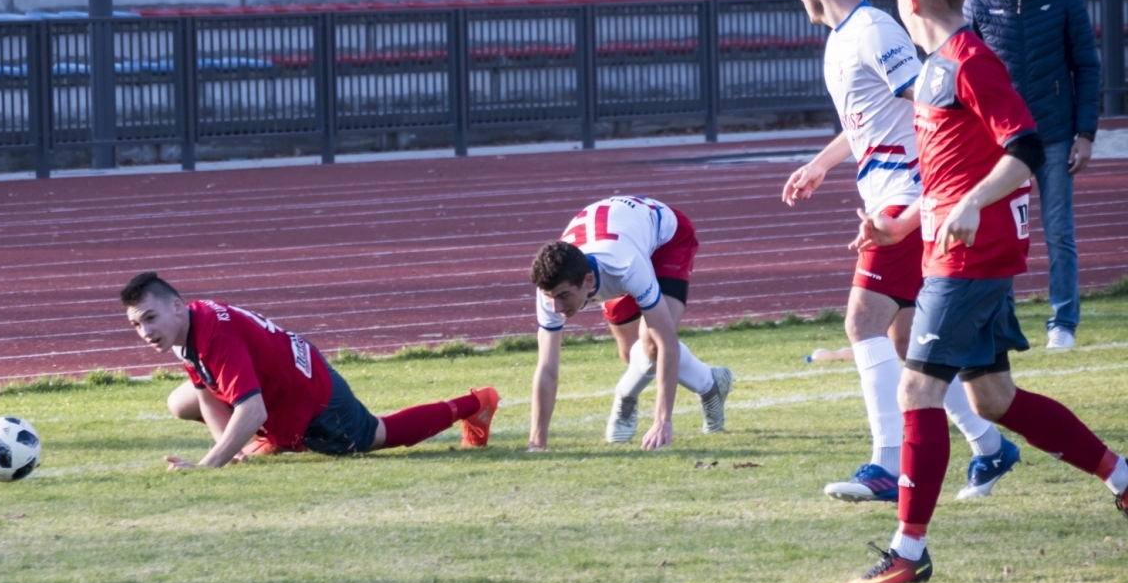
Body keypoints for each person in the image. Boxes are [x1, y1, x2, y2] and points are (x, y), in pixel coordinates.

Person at [848, 0, 1127, 583]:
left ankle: (908, 552)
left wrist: (973, 203)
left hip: (970, 257)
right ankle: (1122, 476)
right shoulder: (937, 67)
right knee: (994, 398)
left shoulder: (970, 61)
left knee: (917, 390)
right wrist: (902, 224)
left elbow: (1025, 147)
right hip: (954, 248)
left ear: (911, 2)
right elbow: (951, 171)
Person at [780, 0, 1019, 505]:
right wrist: (819, 164)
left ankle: (888, 463)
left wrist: (932, 194)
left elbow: (931, 104)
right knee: (908, 339)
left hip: (907, 196)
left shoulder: (873, 31)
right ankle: (989, 446)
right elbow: (869, 119)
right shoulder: (843, 38)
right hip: (891, 195)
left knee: (862, 320)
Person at [120, 272, 499, 468]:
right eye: (137, 324)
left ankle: (474, 404)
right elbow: (206, 391)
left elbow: (252, 409)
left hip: (311, 391)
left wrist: (207, 465)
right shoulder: (186, 324)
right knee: (181, 402)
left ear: (176, 306)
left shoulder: (213, 334)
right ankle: (274, 437)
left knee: (376, 435)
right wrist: (230, 451)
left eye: (150, 318)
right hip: (283, 373)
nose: (145, 332)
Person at [964, 0, 1100, 352]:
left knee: (1059, 233)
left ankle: (1063, 323)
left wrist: (1086, 133)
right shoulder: (977, 4)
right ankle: (1001, 323)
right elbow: (964, 72)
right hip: (1002, 143)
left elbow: (1086, 67)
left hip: (1054, 134)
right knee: (998, 233)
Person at [527, 195, 733, 451]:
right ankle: (712, 380)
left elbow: (666, 341)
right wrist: (537, 444)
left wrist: (662, 421)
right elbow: (547, 368)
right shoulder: (550, 290)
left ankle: (696, 388)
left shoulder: (626, 267)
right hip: (621, 239)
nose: (556, 308)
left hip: (667, 240)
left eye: (564, 296)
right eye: (550, 297)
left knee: (652, 345)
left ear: (588, 282)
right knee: (633, 354)